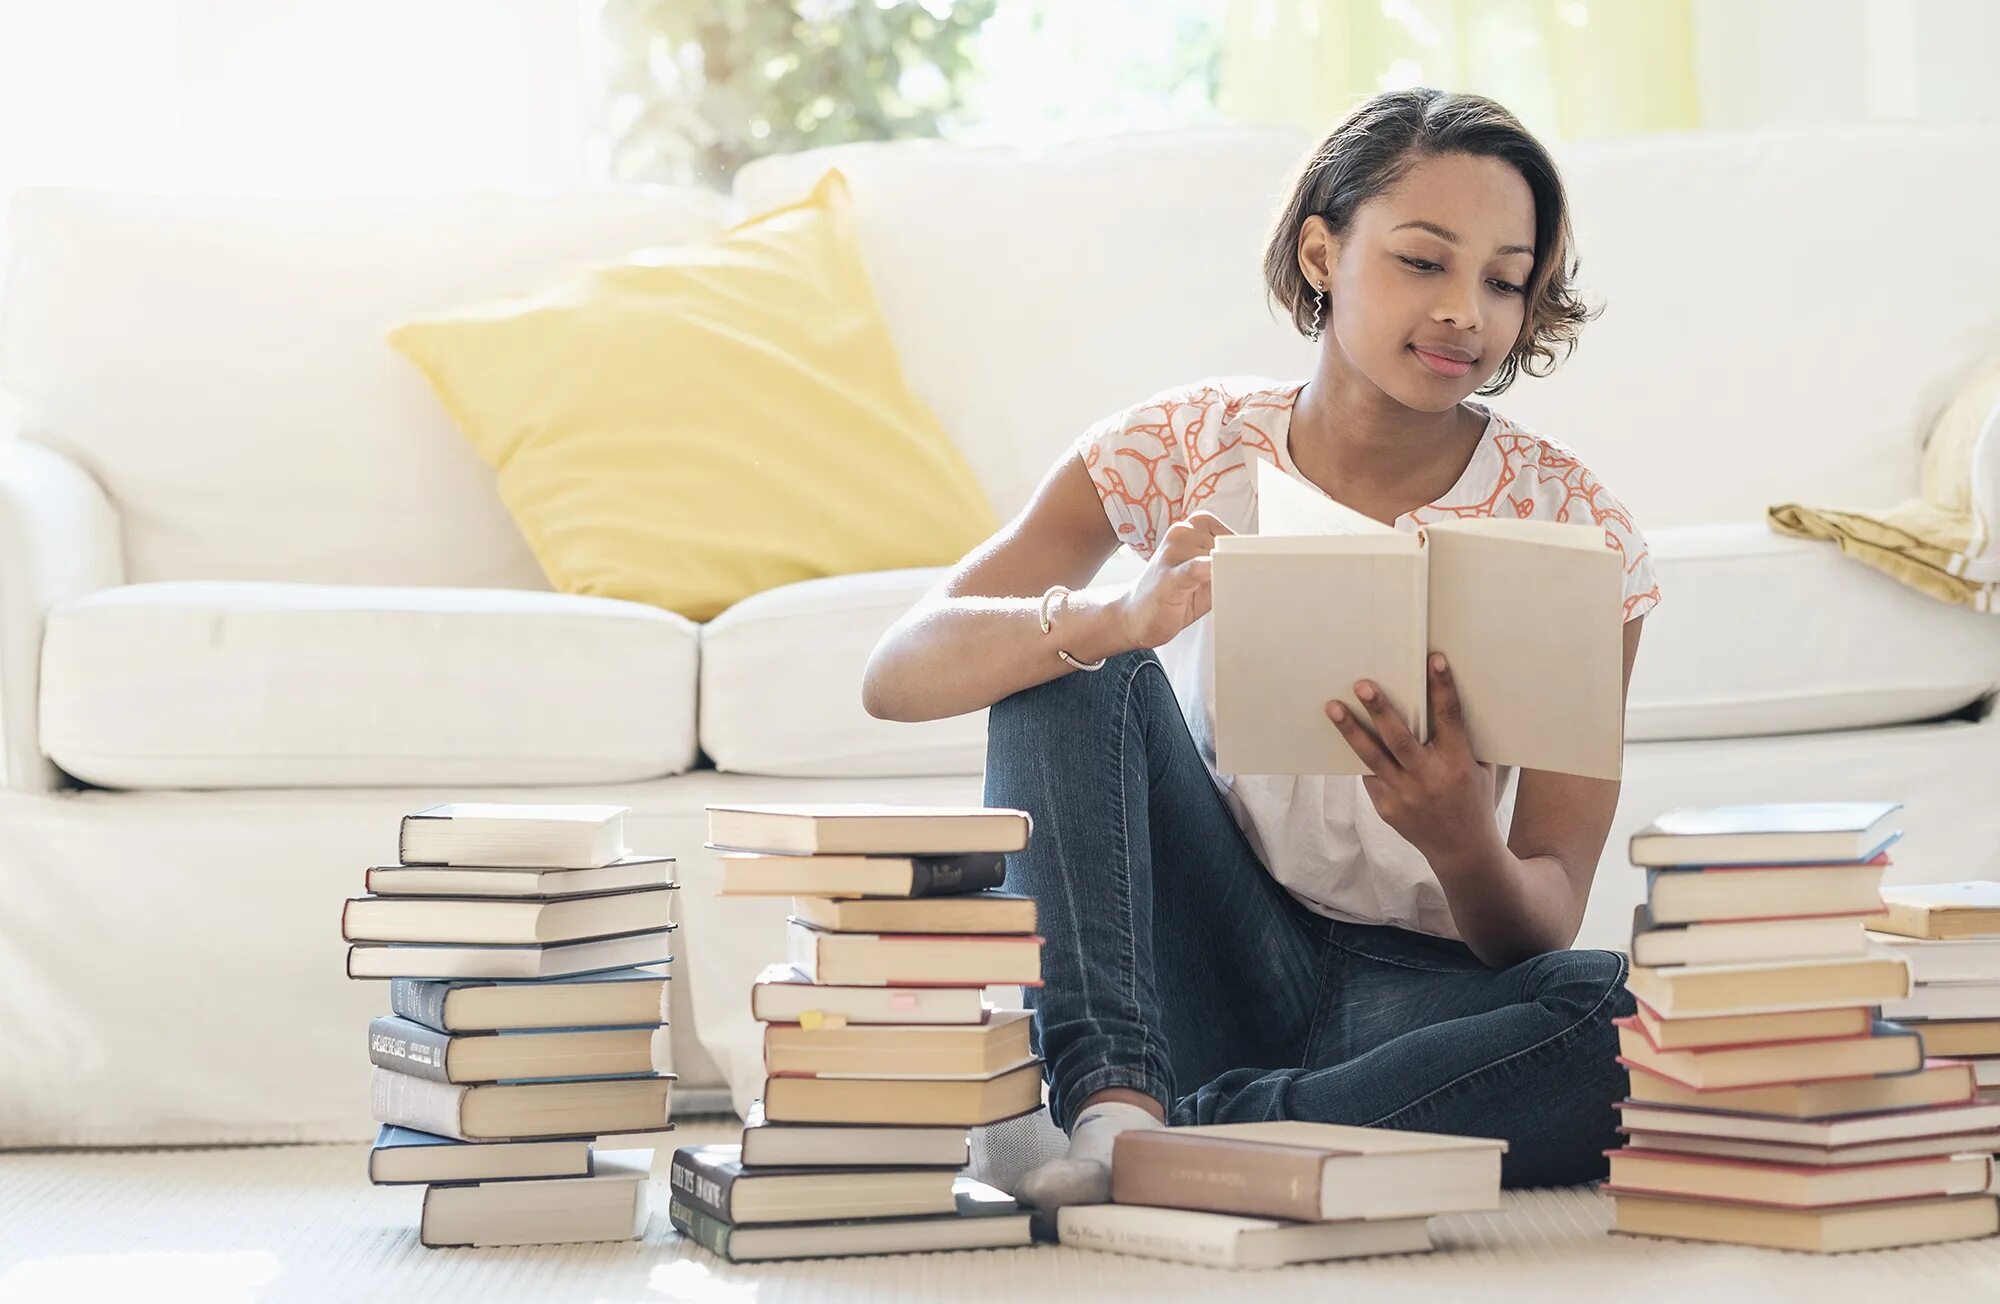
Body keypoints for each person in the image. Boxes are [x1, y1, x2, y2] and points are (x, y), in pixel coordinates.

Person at [861, 87, 1661, 1210]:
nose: (1463, 315)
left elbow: (1544, 910)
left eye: (1502, 279)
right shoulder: (1183, 442)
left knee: (1614, 1018)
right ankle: (1118, 1100)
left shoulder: (1579, 530)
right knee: (1066, 669)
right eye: (1423, 261)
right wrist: (1110, 619)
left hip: (1417, 998)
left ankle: (1190, 1137)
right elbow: (895, 671)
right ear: (1321, 250)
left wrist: (1459, 835)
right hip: (1198, 959)